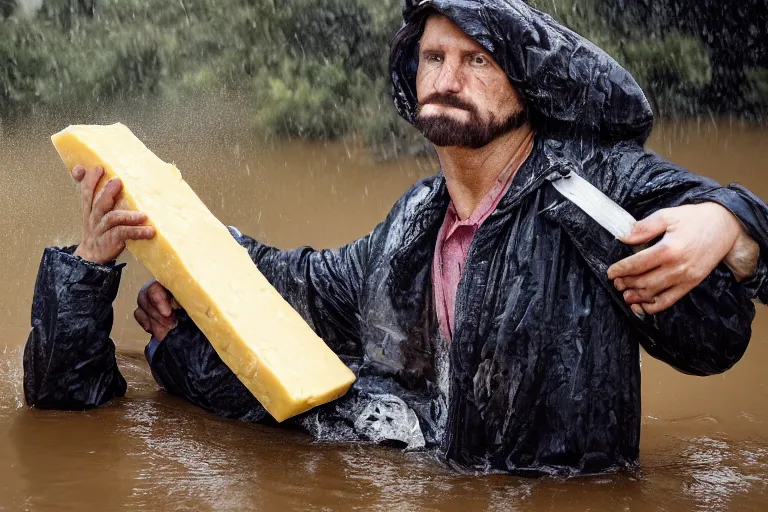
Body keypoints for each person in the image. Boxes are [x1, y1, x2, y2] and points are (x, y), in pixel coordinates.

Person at [24, 0, 768, 476]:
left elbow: (715, 338)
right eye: (434, 59)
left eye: (478, 60)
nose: (449, 75)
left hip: (558, 490)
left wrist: (733, 224)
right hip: (424, 475)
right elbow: (298, 280)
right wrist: (112, 253)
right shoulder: (413, 222)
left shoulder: (593, 181)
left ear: (528, 85)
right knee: (202, 371)